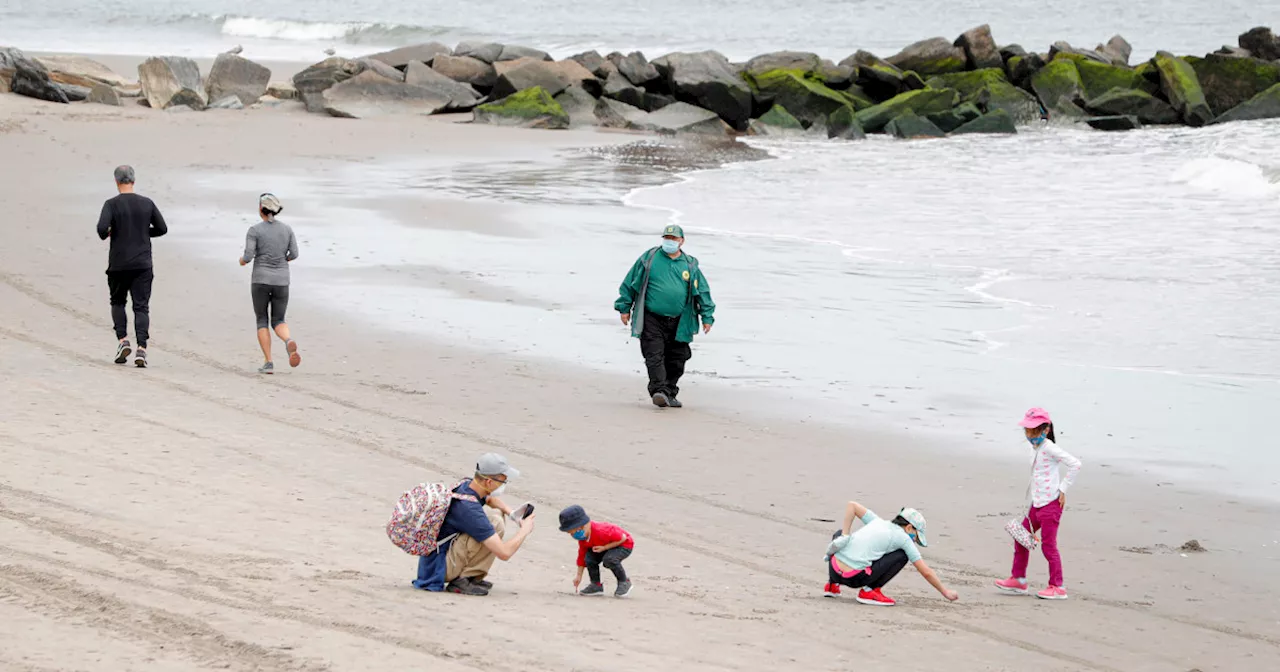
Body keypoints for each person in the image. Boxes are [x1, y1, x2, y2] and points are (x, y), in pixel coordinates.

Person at [614, 224, 715, 408]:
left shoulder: (690, 264)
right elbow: (630, 283)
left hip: (680, 321)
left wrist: (707, 317)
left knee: (678, 359)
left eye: (674, 239)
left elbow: (702, 291)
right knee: (654, 356)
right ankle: (659, 391)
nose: (669, 242)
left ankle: (669, 391)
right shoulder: (649, 258)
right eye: (667, 238)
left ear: (681, 241)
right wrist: (624, 307)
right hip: (652, 318)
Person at [412, 453, 534, 596]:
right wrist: (525, 530)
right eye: (502, 481)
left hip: (434, 561)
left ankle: (471, 576)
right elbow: (504, 553)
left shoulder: (466, 485)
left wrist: (512, 514)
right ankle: (462, 580)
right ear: (489, 482)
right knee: (494, 524)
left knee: (497, 516)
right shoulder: (469, 509)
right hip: (438, 569)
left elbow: (489, 500)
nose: (503, 485)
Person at [994, 407, 1082, 600]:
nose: (1029, 435)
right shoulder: (1035, 448)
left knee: (1049, 546)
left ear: (1046, 429)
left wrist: (1063, 488)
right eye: (1027, 430)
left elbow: (1075, 464)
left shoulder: (1050, 447)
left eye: (1033, 431)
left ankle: (1058, 586)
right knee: (1021, 537)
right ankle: (1019, 579)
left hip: (1050, 505)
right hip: (1036, 504)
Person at [96, 165, 167, 367]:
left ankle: (123, 340)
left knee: (118, 302)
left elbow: (101, 230)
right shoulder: (147, 203)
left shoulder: (111, 204)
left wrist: (113, 231)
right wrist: (143, 233)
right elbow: (162, 228)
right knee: (141, 306)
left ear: (117, 182)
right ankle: (142, 349)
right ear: (133, 181)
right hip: (143, 263)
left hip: (118, 263)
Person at [823, 500, 959, 606]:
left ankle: (832, 585)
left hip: (835, 570)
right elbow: (926, 571)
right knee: (902, 555)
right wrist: (944, 591)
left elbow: (852, 505)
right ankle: (869, 591)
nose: (915, 541)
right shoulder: (904, 538)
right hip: (854, 578)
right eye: (916, 537)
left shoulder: (877, 521)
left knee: (840, 534)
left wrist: (845, 535)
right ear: (909, 527)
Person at [239, 193, 300, 374]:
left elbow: (249, 256)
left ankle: (268, 362)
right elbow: (294, 254)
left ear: (260, 209)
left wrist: (242, 260)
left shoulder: (255, 230)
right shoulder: (287, 230)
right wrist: (283, 260)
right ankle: (288, 341)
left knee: (262, 320)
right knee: (279, 319)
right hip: (282, 280)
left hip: (261, 280)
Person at [558, 505, 635, 597]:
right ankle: (596, 585)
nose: (572, 535)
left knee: (609, 559)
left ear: (582, 527)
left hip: (623, 544)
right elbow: (582, 555)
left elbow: (623, 538)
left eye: (573, 532)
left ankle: (624, 581)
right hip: (601, 546)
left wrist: (605, 548)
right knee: (589, 558)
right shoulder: (583, 538)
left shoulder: (602, 530)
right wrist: (579, 576)